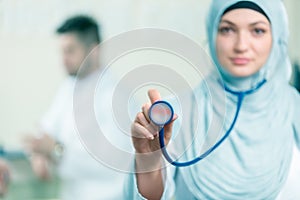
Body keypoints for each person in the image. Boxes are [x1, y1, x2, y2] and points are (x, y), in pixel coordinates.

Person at [126, 0, 300, 199]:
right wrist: (148, 161)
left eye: (257, 31)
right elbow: (151, 195)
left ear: (277, 37)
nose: (241, 46)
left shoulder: (295, 110)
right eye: (227, 30)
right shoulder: (173, 116)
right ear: (211, 34)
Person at [24, 15, 127, 200]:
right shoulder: (69, 87)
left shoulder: (117, 96)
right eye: (62, 52)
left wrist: (56, 150)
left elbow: (110, 162)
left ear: (93, 50)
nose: (63, 59)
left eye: (70, 51)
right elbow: (47, 129)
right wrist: (38, 154)